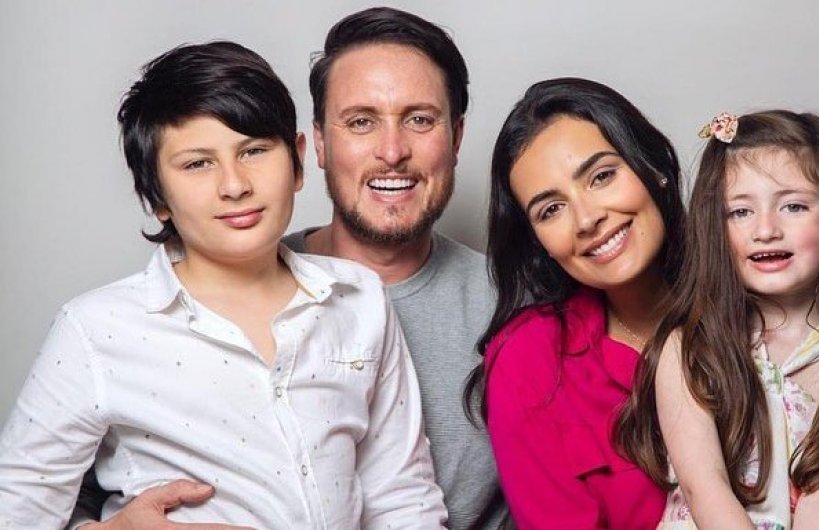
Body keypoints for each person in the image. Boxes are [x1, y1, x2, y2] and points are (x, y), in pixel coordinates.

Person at [70, 8, 505, 530]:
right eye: (361, 122)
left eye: (420, 119)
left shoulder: (515, 303)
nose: (392, 151)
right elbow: (64, 484)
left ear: (456, 137)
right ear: (317, 143)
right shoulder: (213, 286)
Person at [618, 110, 819, 529]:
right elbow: (706, 492)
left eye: (793, 206)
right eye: (740, 212)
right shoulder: (688, 350)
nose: (765, 230)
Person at [466, 77, 687, 529]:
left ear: (651, 166)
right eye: (551, 209)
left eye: (602, 176)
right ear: (538, 243)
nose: (587, 219)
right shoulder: (529, 362)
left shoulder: (763, 296)